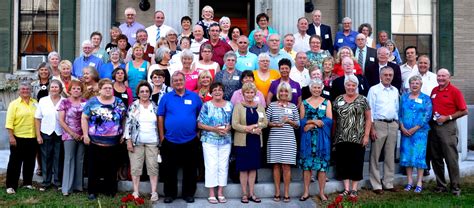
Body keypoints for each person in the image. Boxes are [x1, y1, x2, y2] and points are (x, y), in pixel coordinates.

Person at [158, 71, 203, 203]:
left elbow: (200, 116)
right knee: (169, 169)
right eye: (175, 80)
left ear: (185, 81)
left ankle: (188, 194)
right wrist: (161, 136)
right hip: (170, 140)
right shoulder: (166, 97)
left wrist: (198, 133)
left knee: (190, 169)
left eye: (180, 80)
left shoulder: (194, 97)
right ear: (172, 83)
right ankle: (169, 194)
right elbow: (160, 117)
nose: (178, 82)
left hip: (190, 139)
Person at [82, 79, 127, 200]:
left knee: (111, 167)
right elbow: (84, 118)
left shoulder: (119, 102)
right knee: (93, 168)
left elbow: (124, 119)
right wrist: (85, 135)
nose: (108, 90)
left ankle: (110, 190)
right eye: (105, 88)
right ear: (100, 89)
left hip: (114, 142)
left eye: (110, 88)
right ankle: (92, 191)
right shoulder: (92, 102)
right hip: (95, 141)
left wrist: (124, 134)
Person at [430, 68, 468, 196]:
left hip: (447, 127)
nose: (440, 78)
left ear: (449, 77)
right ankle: (441, 185)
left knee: (451, 158)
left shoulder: (455, 91)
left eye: (443, 76)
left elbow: (464, 110)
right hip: (434, 127)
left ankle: (455, 187)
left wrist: (448, 117)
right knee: (436, 158)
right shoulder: (434, 90)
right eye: (439, 76)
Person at [333, 74, 371, 199]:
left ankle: (354, 189)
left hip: (358, 137)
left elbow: (368, 119)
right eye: (348, 85)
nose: (350, 87)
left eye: (353, 85)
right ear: (345, 86)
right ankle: (346, 188)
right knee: (343, 162)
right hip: (341, 137)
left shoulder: (363, 100)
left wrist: (366, 136)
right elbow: (334, 119)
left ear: (356, 86)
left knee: (356, 162)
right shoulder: (338, 99)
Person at [232, 82, 268, 204]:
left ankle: (252, 193)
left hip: (256, 141)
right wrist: (249, 129)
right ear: (243, 94)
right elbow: (235, 124)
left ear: (255, 93)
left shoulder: (260, 107)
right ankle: (244, 194)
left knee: (253, 168)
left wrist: (257, 126)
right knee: (243, 169)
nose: (249, 94)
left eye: (251, 92)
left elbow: (265, 122)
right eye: (247, 92)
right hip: (243, 141)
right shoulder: (238, 106)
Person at [197, 82, 233, 204]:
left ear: (223, 92)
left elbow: (233, 122)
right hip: (209, 140)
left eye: (220, 90)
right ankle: (212, 193)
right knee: (211, 165)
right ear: (211, 92)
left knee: (223, 166)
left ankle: (220, 192)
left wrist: (228, 128)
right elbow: (200, 124)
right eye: (215, 90)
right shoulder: (206, 105)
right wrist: (214, 129)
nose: (217, 92)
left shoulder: (229, 105)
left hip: (225, 140)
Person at [124, 81, 160, 202]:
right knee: (136, 167)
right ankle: (135, 191)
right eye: (142, 91)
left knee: (153, 167)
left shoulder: (155, 106)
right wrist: (128, 140)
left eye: (147, 91)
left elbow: (160, 124)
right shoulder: (133, 106)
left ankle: (154, 192)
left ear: (150, 93)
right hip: (136, 142)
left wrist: (160, 141)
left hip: (153, 141)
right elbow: (128, 124)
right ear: (138, 93)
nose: (144, 93)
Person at [367, 66, 400, 195]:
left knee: (390, 155)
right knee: (375, 155)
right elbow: (370, 110)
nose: (388, 77)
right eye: (385, 74)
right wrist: (372, 128)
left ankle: (388, 182)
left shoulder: (395, 90)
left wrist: (396, 123)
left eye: (390, 75)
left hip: (392, 124)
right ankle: (376, 184)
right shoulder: (374, 90)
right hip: (379, 124)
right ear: (380, 76)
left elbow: (396, 108)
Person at [299, 78, 333, 201]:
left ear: (322, 88)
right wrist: (314, 121)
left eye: (319, 87)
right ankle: (306, 192)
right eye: (314, 87)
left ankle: (322, 193)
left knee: (322, 167)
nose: (316, 90)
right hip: (308, 139)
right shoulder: (304, 103)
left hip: (322, 138)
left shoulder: (327, 102)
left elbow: (329, 120)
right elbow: (301, 121)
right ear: (310, 88)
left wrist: (312, 125)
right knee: (307, 166)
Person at [266, 82, 300, 202]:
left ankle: (286, 193)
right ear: (278, 93)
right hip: (275, 139)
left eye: (286, 91)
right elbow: (265, 122)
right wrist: (274, 124)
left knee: (286, 166)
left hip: (289, 140)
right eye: (281, 91)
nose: (283, 93)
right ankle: (276, 192)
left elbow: (298, 124)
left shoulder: (293, 106)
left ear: (289, 93)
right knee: (276, 165)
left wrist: (289, 121)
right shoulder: (272, 106)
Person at [399, 75, 432, 193]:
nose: (414, 85)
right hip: (405, 132)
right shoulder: (404, 97)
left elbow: (427, 115)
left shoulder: (426, 99)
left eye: (417, 83)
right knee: (407, 156)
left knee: (419, 156)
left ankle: (419, 182)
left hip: (420, 133)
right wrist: (402, 127)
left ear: (421, 85)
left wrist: (416, 128)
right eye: (412, 83)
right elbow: (399, 113)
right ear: (409, 85)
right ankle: (409, 181)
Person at [5, 82, 38, 194]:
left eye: (27, 89)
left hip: (32, 137)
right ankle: (11, 185)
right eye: (23, 89)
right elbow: (9, 122)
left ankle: (27, 183)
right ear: (19, 91)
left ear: (31, 90)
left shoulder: (35, 103)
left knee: (30, 162)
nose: (25, 91)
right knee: (15, 163)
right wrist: (11, 136)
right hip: (18, 137)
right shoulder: (14, 104)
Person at [58, 80, 86, 196]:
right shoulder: (64, 102)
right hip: (69, 134)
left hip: (83, 134)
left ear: (81, 91)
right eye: (73, 88)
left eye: (78, 89)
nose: (76, 90)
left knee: (80, 159)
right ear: (69, 90)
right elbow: (61, 121)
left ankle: (78, 186)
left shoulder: (85, 102)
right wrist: (72, 133)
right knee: (69, 159)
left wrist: (85, 134)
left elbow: (87, 119)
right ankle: (66, 188)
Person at [35, 80, 64, 191]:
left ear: (60, 89)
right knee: (46, 158)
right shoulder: (43, 100)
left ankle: (57, 182)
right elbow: (37, 118)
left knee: (58, 158)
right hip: (46, 132)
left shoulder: (64, 101)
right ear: (49, 88)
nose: (54, 89)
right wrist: (38, 135)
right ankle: (46, 182)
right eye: (52, 87)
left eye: (56, 87)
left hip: (60, 133)